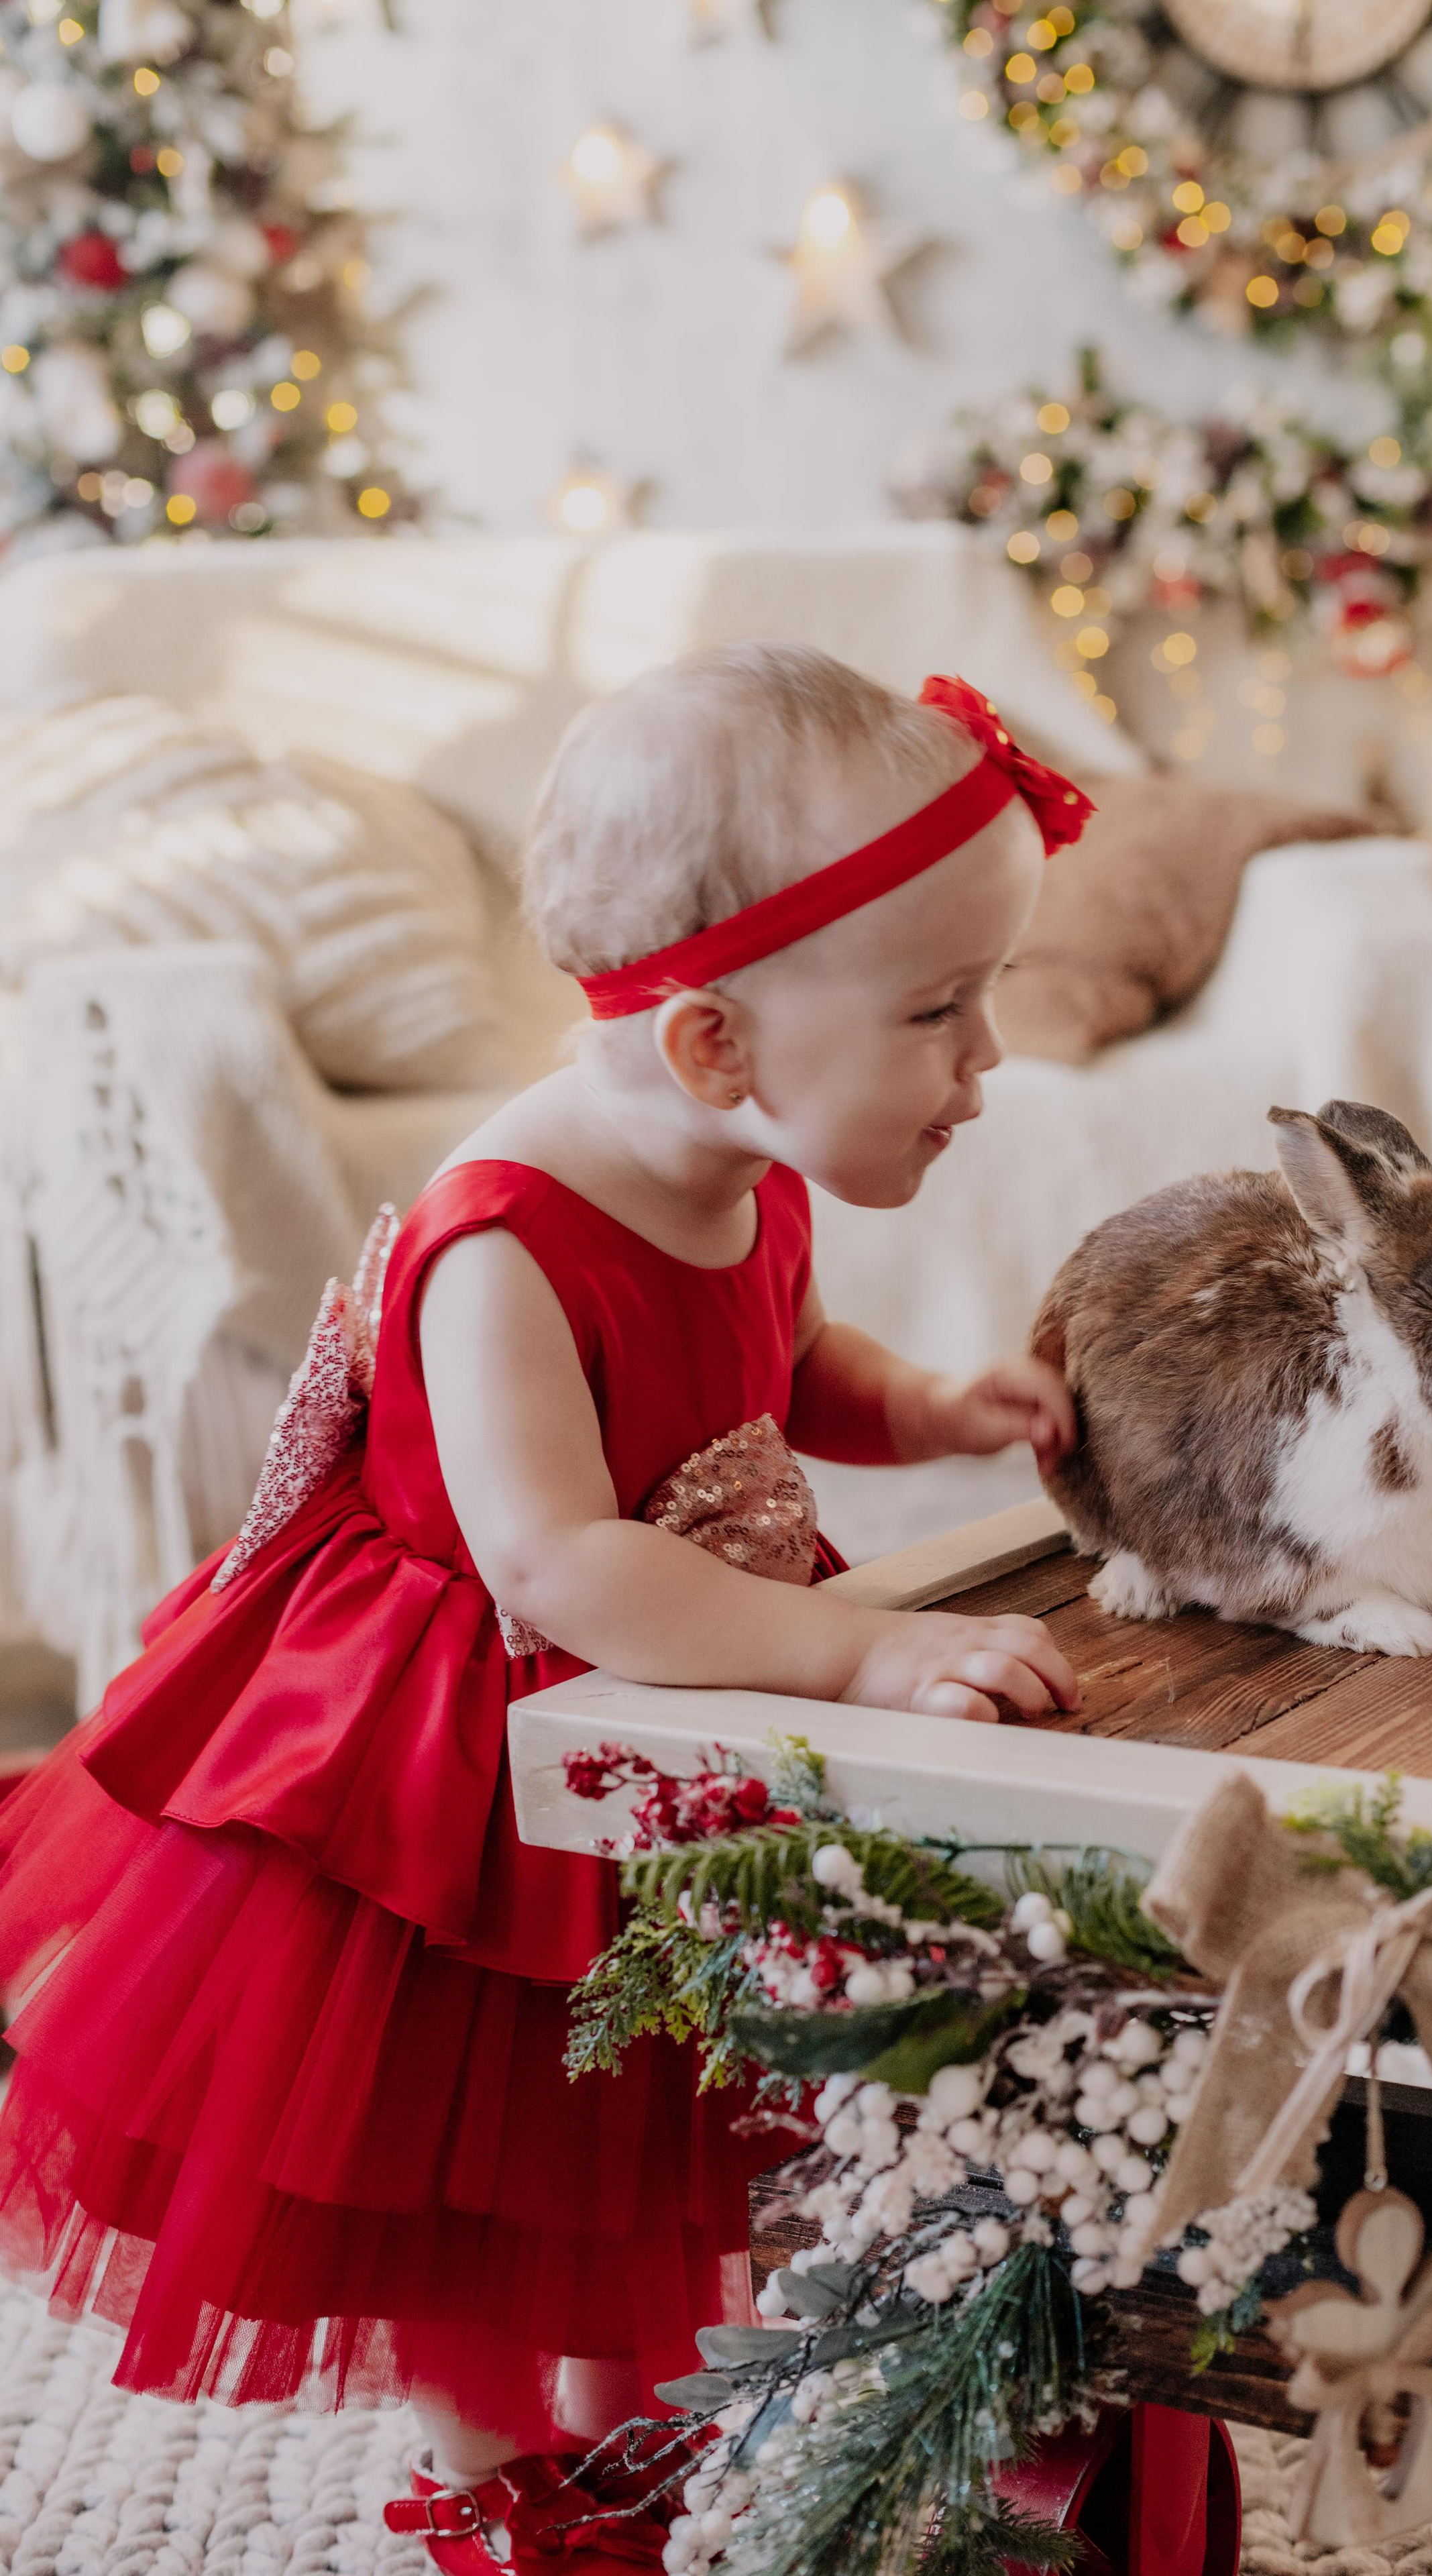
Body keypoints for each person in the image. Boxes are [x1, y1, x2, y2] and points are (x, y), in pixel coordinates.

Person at [0, 645, 1090, 2573]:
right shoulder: (500, 1237)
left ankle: (634, 2438)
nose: (986, 1064)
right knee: (471, 2130)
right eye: (941, 1010)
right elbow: (560, 1560)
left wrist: (923, 1406)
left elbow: (777, 1361)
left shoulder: (744, 1164)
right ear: (713, 1046)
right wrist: (867, 1646)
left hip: (671, 1676)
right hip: (462, 1743)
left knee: (658, 2105)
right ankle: (492, 2466)